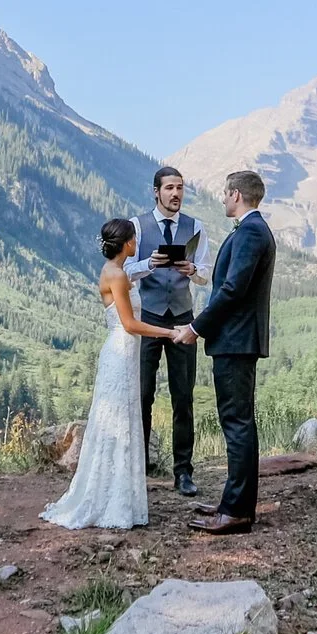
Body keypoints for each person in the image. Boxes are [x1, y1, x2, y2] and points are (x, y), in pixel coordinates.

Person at [41, 218, 191, 531]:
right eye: (134, 238)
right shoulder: (117, 275)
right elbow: (131, 324)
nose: (137, 241)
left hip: (124, 351)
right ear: (128, 243)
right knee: (120, 421)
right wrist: (170, 332)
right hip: (122, 352)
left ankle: (119, 495)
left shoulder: (117, 272)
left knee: (123, 420)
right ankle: (113, 500)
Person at [181, 169, 275, 536]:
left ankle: (237, 511)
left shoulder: (251, 231)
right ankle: (233, 503)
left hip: (235, 341)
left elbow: (233, 289)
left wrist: (196, 327)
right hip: (235, 340)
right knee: (237, 422)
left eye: (224, 194)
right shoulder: (252, 230)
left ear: (237, 195)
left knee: (237, 424)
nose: (222, 199)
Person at [124, 165, 203, 496]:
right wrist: (149, 264)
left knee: (183, 397)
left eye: (180, 188)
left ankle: (183, 472)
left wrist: (193, 268)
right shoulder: (137, 226)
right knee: (143, 395)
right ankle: (137, 470)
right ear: (155, 191)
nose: (176, 194)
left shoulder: (195, 226)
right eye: (170, 188)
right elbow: (124, 271)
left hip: (183, 316)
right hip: (150, 319)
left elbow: (206, 274)